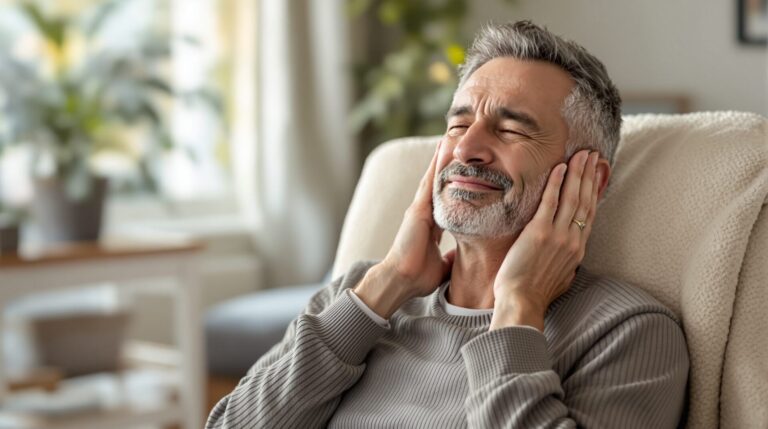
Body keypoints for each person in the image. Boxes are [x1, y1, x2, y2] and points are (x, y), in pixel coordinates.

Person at [206, 21, 689, 429]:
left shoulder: (627, 332)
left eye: (511, 129)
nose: (465, 149)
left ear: (591, 177)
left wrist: (519, 306)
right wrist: (389, 280)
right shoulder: (359, 297)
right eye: (458, 124)